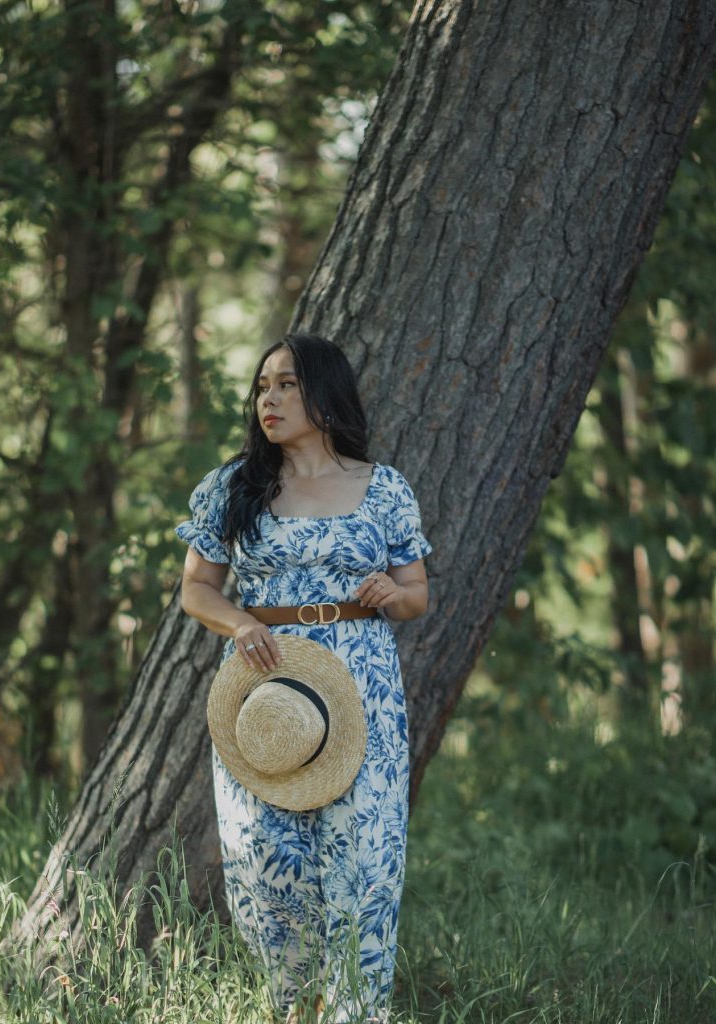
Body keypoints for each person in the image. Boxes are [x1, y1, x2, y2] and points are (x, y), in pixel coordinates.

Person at [175, 333, 432, 1023]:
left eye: (286, 384)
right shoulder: (234, 486)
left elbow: (417, 595)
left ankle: (355, 1013)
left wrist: (392, 592)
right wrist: (238, 623)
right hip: (265, 687)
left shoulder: (384, 488)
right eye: (263, 387)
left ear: (325, 393)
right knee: (268, 865)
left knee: (364, 861)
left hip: (361, 686)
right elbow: (196, 588)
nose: (270, 398)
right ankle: (290, 1008)